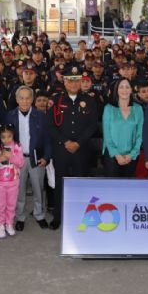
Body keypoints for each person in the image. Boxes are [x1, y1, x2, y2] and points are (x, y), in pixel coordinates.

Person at [47, 66, 98, 230]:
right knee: (59, 183)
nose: (74, 83)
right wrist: (66, 142)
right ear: (64, 81)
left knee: (80, 183)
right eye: (70, 80)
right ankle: (58, 216)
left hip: (81, 149)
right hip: (61, 149)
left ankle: (79, 215)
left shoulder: (89, 100)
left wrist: (78, 143)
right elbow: (51, 126)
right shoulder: (55, 100)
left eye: (77, 80)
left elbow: (92, 126)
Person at [6, 86, 51, 231]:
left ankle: (39, 214)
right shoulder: (10, 116)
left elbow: (48, 140)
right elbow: (5, 140)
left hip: (36, 158)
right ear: (17, 99)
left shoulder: (41, 116)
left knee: (38, 188)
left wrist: (46, 157)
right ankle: (20, 216)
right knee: (19, 190)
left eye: (28, 98)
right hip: (17, 159)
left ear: (32, 99)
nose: (25, 101)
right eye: (21, 98)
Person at [102, 79, 144, 178]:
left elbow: (140, 135)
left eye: (127, 87)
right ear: (116, 90)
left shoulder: (138, 109)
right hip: (112, 155)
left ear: (131, 90)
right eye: (121, 87)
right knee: (112, 188)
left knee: (128, 188)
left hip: (131, 155)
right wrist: (117, 155)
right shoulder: (109, 108)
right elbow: (107, 135)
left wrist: (132, 154)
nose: (124, 90)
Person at [0, 125, 25, 238]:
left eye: (9, 136)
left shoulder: (17, 146)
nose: (6, 139)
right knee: (0, 205)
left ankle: (9, 223)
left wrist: (11, 157)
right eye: (3, 137)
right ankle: (0, 224)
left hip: (13, 182)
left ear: (13, 135)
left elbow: (21, 163)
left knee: (11, 204)